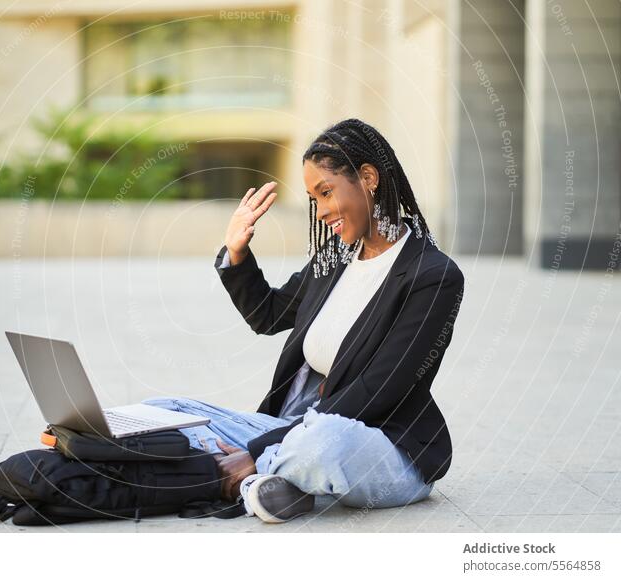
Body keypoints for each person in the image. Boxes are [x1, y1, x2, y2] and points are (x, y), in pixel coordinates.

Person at [143, 118, 465, 524]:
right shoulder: (335, 260)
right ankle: (273, 482)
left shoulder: (432, 277)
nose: (323, 210)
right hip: (292, 431)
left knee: (325, 442)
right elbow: (269, 314)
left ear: (368, 177)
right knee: (165, 410)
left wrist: (259, 449)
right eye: (315, 200)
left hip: (379, 445)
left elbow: (378, 391)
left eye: (326, 192)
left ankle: (258, 473)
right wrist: (237, 253)